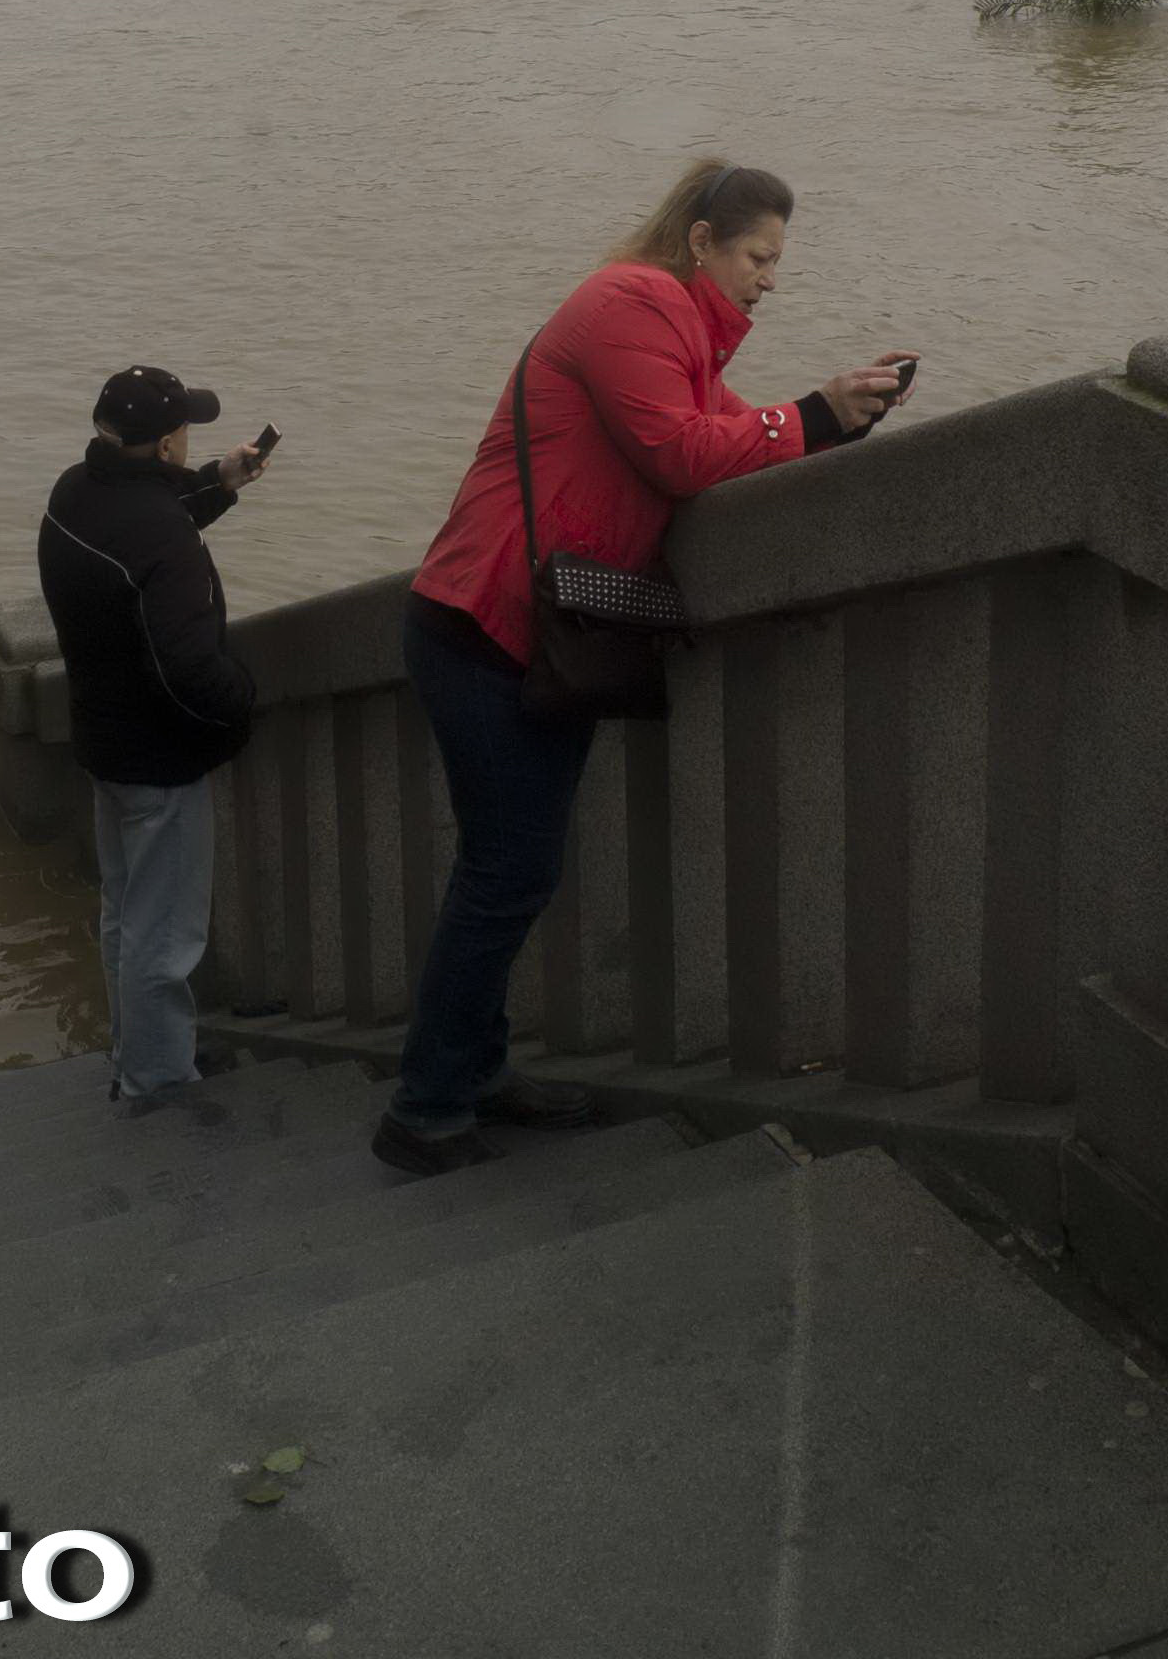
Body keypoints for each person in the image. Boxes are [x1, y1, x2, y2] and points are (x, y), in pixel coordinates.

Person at [377, 161, 909, 1177]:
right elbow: (680, 453)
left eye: (777, 261)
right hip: (483, 623)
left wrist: (838, 417)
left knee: (511, 874)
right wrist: (814, 410)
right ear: (701, 241)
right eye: (758, 256)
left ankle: (472, 1072)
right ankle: (424, 1110)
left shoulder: (683, 338)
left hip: (542, 631)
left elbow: (731, 438)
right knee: (504, 876)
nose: (770, 278)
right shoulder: (630, 301)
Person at [37, 363, 272, 1114]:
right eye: (185, 431)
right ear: (165, 443)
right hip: (160, 760)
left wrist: (220, 482)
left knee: (123, 916)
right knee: (164, 938)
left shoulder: (74, 493)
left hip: (104, 743)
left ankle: (137, 1051)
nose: (189, 439)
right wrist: (243, 702)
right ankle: (157, 1084)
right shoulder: (161, 535)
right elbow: (188, 668)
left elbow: (141, 521)